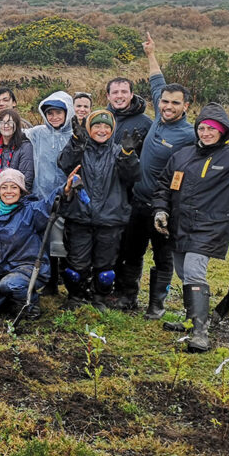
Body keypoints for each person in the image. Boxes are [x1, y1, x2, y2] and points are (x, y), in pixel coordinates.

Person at [153, 104, 229, 352]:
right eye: (201, 127)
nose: (205, 133)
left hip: (210, 227)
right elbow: (164, 185)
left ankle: (200, 332)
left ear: (223, 132)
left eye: (212, 129)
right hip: (178, 225)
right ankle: (190, 319)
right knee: (183, 273)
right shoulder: (182, 155)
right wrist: (160, 210)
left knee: (194, 272)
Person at [111, 32, 197, 313]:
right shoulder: (159, 116)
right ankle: (127, 296)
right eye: (165, 102)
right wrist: (150, 54)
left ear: (186, 106)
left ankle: (156, 305)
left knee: (163, 258)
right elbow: (156, 79)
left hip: (166, 208)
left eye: (175, 103)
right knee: (131, 252)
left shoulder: (188, 135)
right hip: (138, 201)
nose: (168, 106)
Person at [0, 168, 68, 319]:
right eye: (4, 187)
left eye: (14, 187)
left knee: (9, 285)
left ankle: (31, 306)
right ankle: (11, 301)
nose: (9, 191)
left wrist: (65, 189)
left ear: (21, 190)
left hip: (28, 270)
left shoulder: (32, 210)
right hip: (4, 270)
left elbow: (50, 203)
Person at [57, 110, 141, 311]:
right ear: (89, 128)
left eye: (106, 127)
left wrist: (128, 156)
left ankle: (99, 298)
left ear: (112, 130)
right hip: (79, 216)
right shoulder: (80, 148)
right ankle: (76, 297)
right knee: (76, 266)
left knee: (106, 269)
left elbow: (133, 176)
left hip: (110, 220)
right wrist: (76, 142)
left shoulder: (120, 152)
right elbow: (64, 164)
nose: (102, 130)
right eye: (97, 126)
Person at [24, 91, 74, 295]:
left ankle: (73, 287)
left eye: (58, 113)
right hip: (42, 196)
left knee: (67, 242)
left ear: (67, 113)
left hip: (69, 197)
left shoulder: (74, 136)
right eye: (50, 113)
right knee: (46, 243)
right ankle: (51, 283)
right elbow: (17, 133)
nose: (54, 117)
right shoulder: (38, 133)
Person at [0, 108, 34, 193]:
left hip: (14, 195)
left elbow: (26, 181)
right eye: (2, 122)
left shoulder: (25, 146)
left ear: (16, 125)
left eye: (10, 122)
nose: (5, 126)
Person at [105, 76, 151, 148]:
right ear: (108, 96)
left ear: (131, 94)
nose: (119, 96)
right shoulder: (99, 118)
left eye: (124, 92)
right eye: (115, 92)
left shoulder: (146, 123)